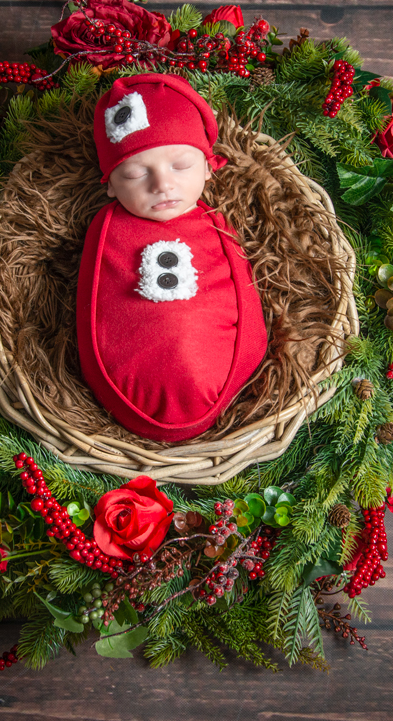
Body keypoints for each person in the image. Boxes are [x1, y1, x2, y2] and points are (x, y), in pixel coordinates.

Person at [76, 73, 268, 443]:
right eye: (134, 173)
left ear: (210, 166)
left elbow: (245, 287)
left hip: (224, 378)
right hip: (124, 388)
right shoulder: (106, 229)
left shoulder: (214, 222)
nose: (162, 184)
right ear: (110, 184)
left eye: (181, 166)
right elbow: (91, 299)